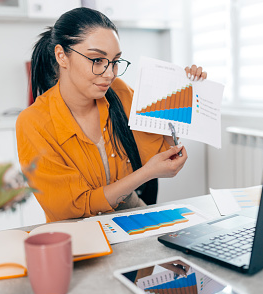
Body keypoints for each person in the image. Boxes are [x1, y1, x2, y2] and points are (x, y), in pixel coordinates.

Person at [16, 7, 207, 223]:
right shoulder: (33, 122)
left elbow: (159, 151)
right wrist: (145, 174)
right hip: (79, 228)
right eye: (97, 60)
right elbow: (72, 207)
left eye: (115, 61)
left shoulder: (119, 91)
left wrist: (185, 89)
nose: (109, 74)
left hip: (131, 214)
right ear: (62, 56)